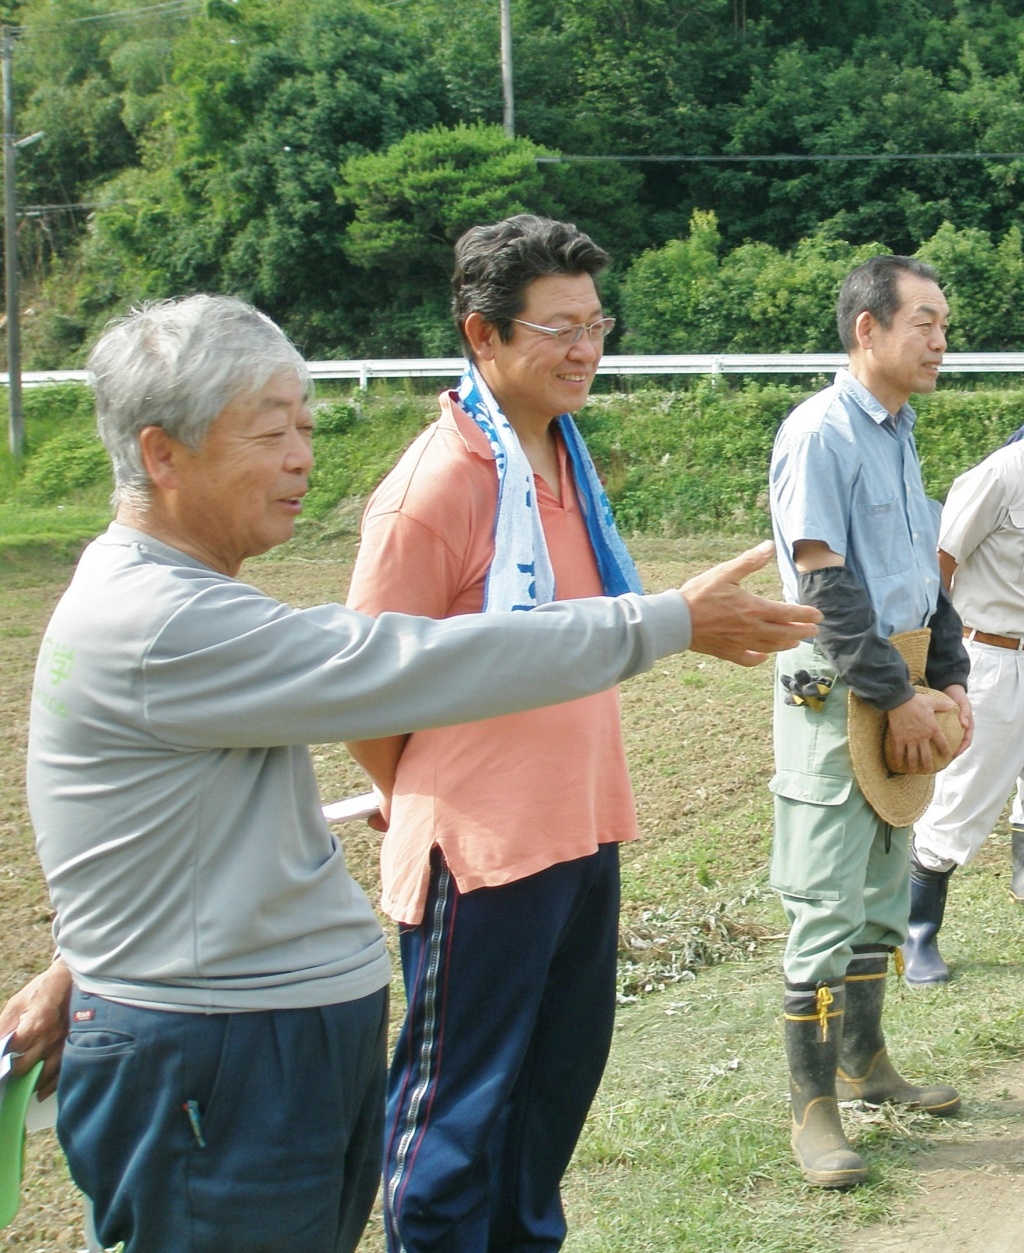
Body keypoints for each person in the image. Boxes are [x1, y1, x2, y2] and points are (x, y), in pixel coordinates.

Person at [3, 293, 820, 1253]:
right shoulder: (164, 622)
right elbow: (421, 662)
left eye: (305, 425)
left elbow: (146, 820)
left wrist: (80, 960)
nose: (305, 455)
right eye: (272, 432)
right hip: (217, 1060)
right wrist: (666, 621)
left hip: (242, 1043)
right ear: (161, 454)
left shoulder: (167, 599)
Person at [341, 213, 780, 1252]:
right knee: (456, 1116)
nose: (586, 349)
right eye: (557, 328)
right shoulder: (440, 482)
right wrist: (427, 803)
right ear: (482, 335)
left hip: (580, 831)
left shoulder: (564, 462)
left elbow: (583, 637)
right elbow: (363, 688)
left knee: (545, 1106)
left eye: (596, 322)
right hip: (483, 850)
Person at [768, 255, 973, 1189]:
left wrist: (952, 675)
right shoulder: (820, 433)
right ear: (868, 329)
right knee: (824, 898)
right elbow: (825, 585)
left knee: (886, 887)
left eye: (943, 322)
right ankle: (814, 1115)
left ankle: (866, 1062)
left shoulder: (897, 431)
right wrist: (896, 696)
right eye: (925, 321)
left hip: (905, 678)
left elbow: (923, 573)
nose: (941, 338)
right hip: (838, 690)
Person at [903, 437, 1024, 982]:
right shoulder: (1002, 473)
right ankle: (916, 934)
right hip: (991, 657)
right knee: (962, 797)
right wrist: (939, 658)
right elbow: (939, 562)